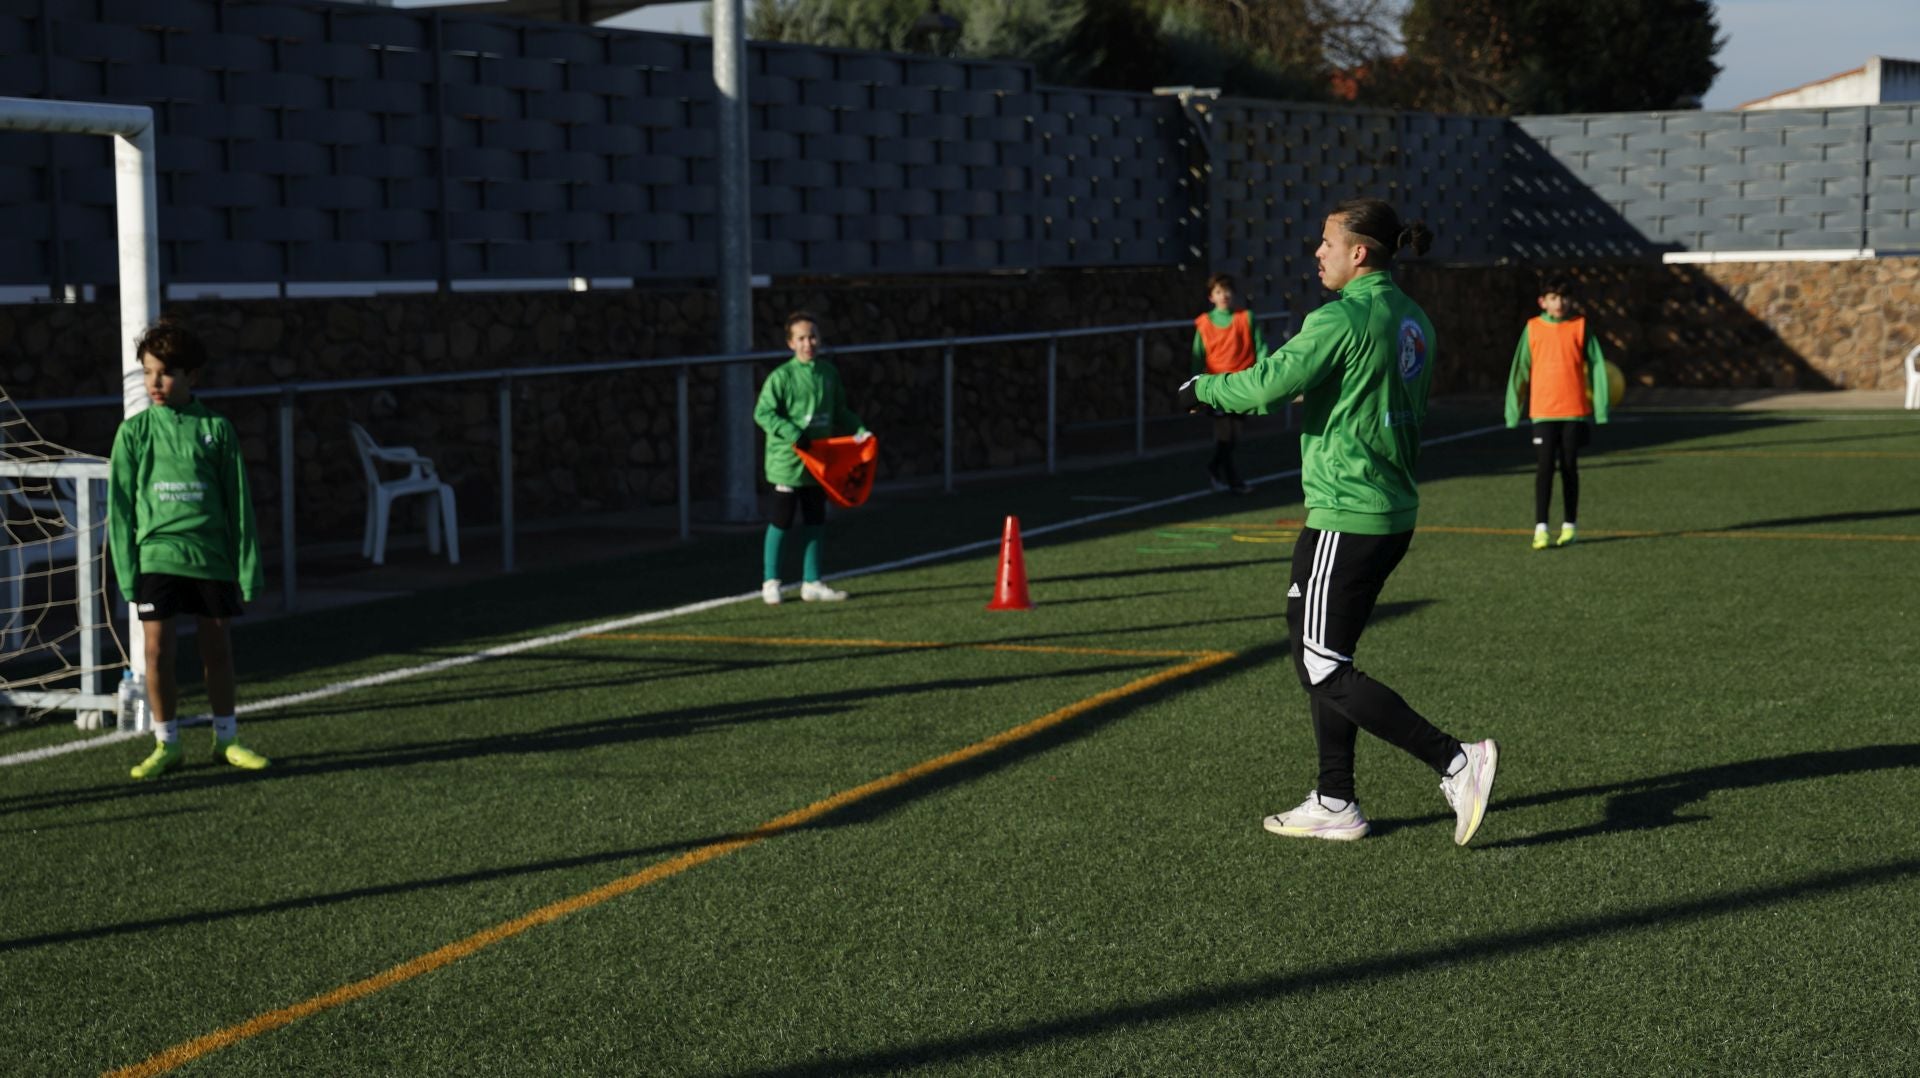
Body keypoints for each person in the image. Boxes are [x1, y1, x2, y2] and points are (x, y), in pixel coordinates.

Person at [1179, 197, 1499, 845]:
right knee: (1323, 655)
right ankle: (1334, 798)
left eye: (1325, 242)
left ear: (1359, 252)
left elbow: (1264, 387)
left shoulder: (1342, 317)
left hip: (1346, 512)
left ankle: (1457, 760)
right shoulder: (1410, 318)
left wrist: (1201, 390)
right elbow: (1348, 385)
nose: (1316, 253)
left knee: (1322, 664)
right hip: (1388, 508)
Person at [108, 320, 268, 780]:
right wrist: (126, 571)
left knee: (217, 647)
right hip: (157, 556)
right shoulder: (133, 434)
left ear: (193, 376)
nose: (155, 383)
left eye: (167, 373)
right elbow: (119, 510)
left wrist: (248, 567)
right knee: (156, 652)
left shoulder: (217, 430)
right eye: (147, 372)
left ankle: (226, 738)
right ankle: (167, 743)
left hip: (211, 557)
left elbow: (238, 504)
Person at [752, 311, 870, 605]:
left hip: (820, 463)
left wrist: (860, 431)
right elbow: (763, 413)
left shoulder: (828, 374)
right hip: (787, 462)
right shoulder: (781, 377)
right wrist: (792, 433)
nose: (809, 343)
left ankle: (812, 581)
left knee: (816, 519)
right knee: (781, 519)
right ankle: (770, 581)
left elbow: (839, 411)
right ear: (791, 343)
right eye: (802, 338)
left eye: (813, 336)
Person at [1504, 275, 1611, 550]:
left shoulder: (1580, 326)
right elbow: (1520, 370)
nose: (1559, 302)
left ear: (1571, 300)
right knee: (1544, 468)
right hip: (1543, 412)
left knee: (1569, 468)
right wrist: (1513, 410)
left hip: (1573, 412)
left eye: (1564, 297)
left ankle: (1569, 525)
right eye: (1553, 297)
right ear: (1543, 302)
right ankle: (1541, 527)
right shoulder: (1533, 328)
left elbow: (1598, 365)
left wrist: (1600, 408)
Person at [1191, 272, 1268, 493]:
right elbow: (1197, 356)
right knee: (1225, 433)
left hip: (1242, 384)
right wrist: (1195, 388)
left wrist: (1263, 373)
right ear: (1210, 297)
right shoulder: (1204, 323)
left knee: (1235, 435)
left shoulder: (1246, 317)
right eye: (1218, 291)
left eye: (1226, 290)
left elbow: (1260, 345)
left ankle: (1214, 469)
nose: (1223, 295)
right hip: (1216, 387)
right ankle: (1234, 481)